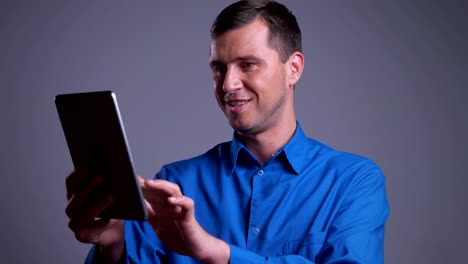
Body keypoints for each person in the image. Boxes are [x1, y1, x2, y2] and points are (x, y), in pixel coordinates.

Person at [65, 0, 390, 263]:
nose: (228, 84)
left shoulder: (354, 181)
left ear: (293, 69)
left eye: (248, 64)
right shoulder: (174, 184)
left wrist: (215, 252)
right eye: (219, 68)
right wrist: (113, 246)